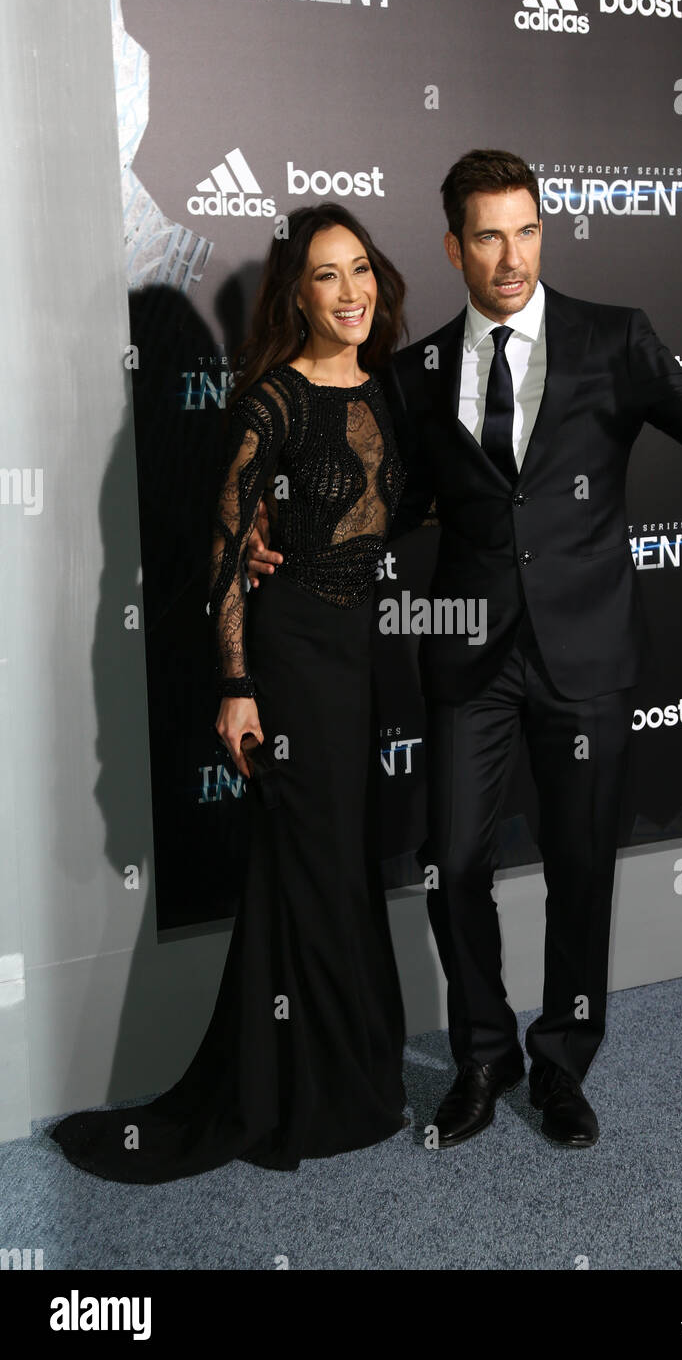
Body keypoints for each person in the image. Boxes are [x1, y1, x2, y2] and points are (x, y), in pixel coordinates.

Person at [247, 149, 682, 1153]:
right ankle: (480, 1057)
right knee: (453, 860)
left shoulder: (612, 338)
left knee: (581, 867)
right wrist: (278, 528)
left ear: (543, 231)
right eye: (488, 236)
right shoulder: (415, 372)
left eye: (526, 231)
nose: (510, 258)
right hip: (469, 657)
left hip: (587, 656)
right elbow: (393, 507)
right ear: (453, 246)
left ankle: (560, 1060)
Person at [50, 204, 409, 1182]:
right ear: (296, 293)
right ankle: (303, 1092)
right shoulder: (271, 402)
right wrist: (239, 686)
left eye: (360, 271)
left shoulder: (385, 390)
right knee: (305, 869)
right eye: (327, 276)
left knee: (334, 871)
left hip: (358, 659)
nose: (349, 292)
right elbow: (223, 550)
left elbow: (396, 509)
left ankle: (345, 1075)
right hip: (290, 661)